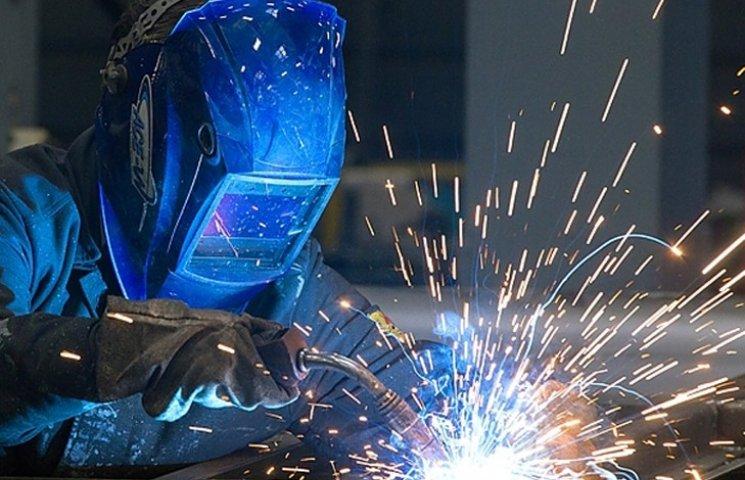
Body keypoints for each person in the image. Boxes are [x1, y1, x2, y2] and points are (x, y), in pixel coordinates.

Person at [0, 1, 446, 476]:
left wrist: (452, 408)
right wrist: (140, 351)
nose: (249, 235)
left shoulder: (292, 292)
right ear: (145, 139)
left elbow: (407, 385)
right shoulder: (25, 217)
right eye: (234, 206)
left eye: (280, 212)